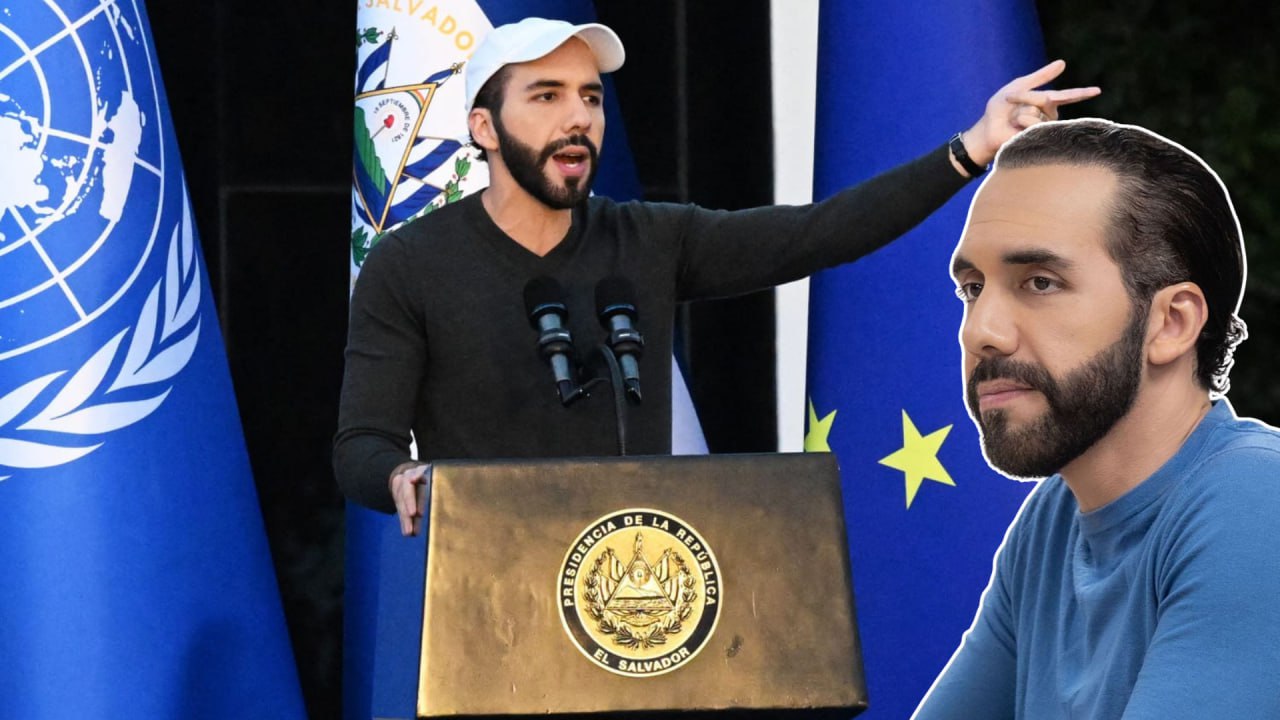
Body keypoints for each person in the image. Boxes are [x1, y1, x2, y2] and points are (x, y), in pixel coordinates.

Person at [333, 17, 1099, 535]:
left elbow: (820, 233)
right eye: (547, 96)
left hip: (638, 591)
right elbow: (361, 444)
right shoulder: (411, 264)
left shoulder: (647, 239)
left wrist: (970, 148)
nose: (579, 118)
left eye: (591, 98)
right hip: (485, 592)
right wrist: (402, 477)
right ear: (484, 128)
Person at [913, 118, 1280, 719]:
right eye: (973, 289)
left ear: (1171, 323)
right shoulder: (1055, 518)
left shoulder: (1256, 501)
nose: (980, 332)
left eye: (1040, 282)